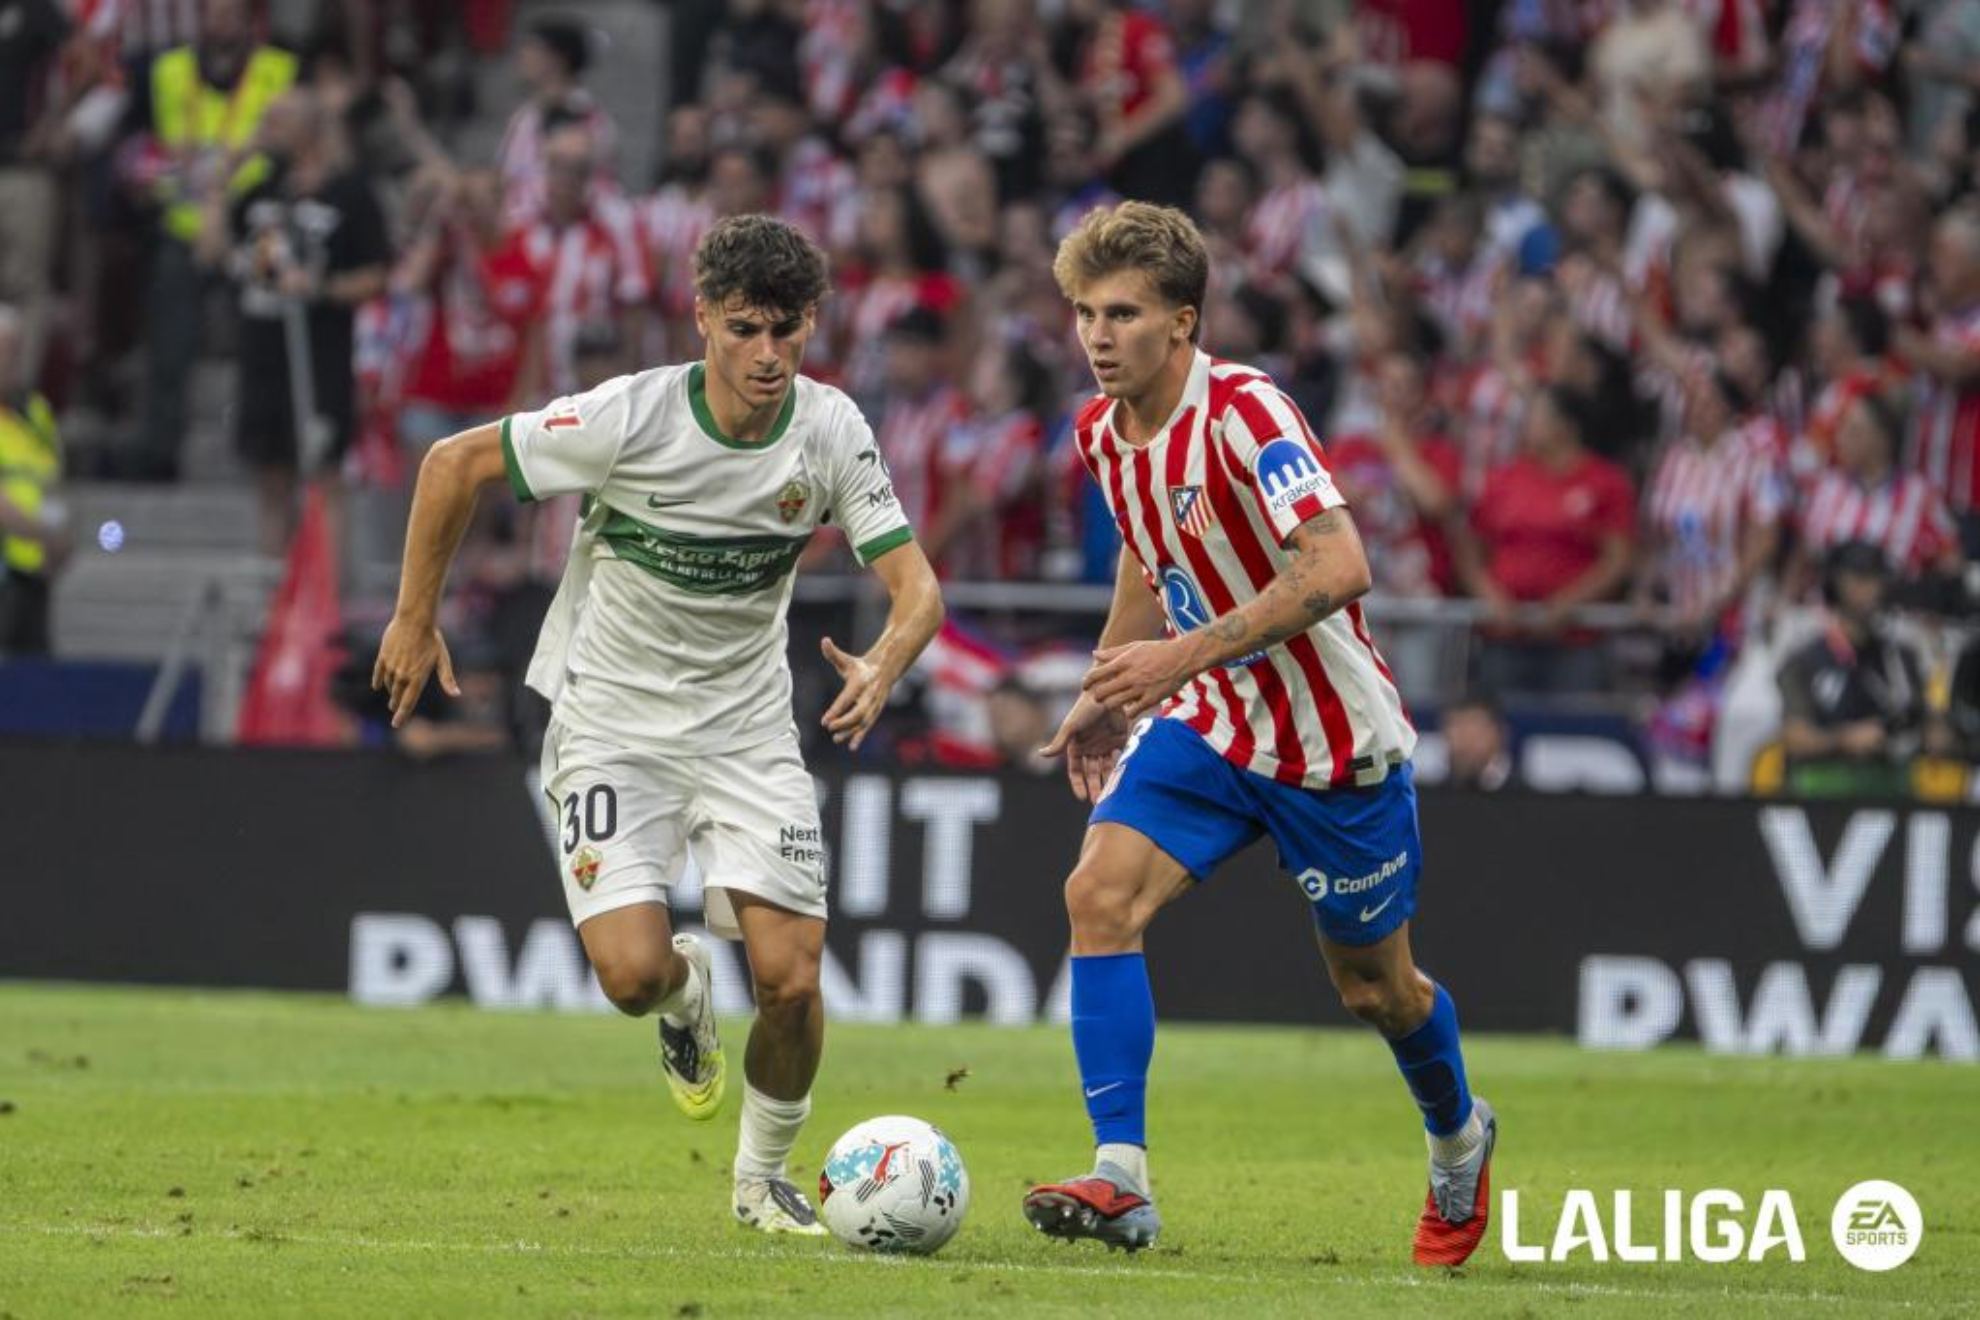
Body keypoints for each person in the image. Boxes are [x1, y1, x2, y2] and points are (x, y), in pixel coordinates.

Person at [371, 214, 944, 1235]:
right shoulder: (626, 419)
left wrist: (887, 660)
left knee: (794, 978)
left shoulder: (829, 428)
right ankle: (686, 1003)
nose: (767, 354)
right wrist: (415, 619)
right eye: (744, 330)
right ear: (703, 322)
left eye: (785, 330)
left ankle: (761, 1179)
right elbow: (452, 465)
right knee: (633, 976)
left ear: (812, 322)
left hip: (748, 731)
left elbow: (916, 589)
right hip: (610, 725)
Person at [1021, 202, 1494, 1266]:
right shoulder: (1103, 431)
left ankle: (1459, 1134)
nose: (1098, 336)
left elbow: (1338, 567)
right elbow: (1148, 557)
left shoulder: (1248, 413)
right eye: (1085, 313)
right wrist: (1110, 683)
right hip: (1216, 728)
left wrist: (1175, 660)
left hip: (1332, 749)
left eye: (1124, 313)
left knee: (1377, 991)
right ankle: (1121, 1175)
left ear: (1182, 322)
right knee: (1096, 895)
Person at [203, 87, 389, 558]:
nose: (267, 131)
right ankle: (275, 591)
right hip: (263, 347)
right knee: (270, 472)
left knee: (324, 472)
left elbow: (378, 272)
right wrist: (220, 182)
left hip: (319, 349)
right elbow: (212, 251)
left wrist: (322, 288)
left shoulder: (349, 190)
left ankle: (325, 602)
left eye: (278, 121)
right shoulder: (264, 190)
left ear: (310, 127)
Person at [1777, 541, 1945, 797]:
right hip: (1823, 798)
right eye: (1859, 578)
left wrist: (1933, 734)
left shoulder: (1900, 657)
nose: (1869, 589)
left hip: (1892, 793)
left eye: (1875, 579)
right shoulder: (1806, 659)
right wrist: (1845, 739)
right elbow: (1794, 737)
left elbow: (1924, 721)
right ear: (1836, 584)